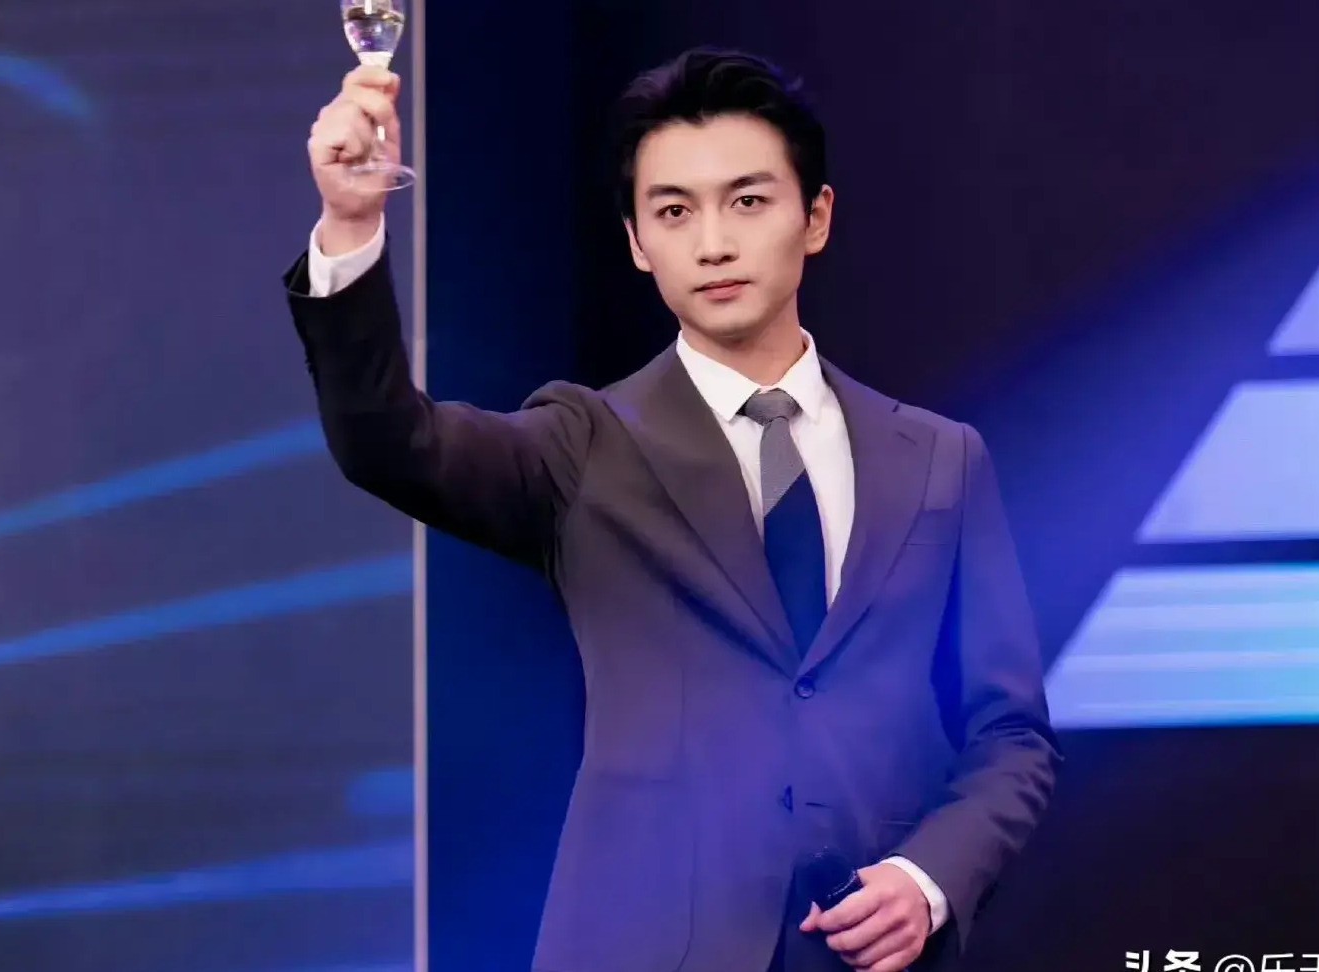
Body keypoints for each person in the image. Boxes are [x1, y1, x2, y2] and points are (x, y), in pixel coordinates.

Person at [285, 46, 1061, 972]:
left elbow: (1010, 734)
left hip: (868, 952)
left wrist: (927, 879)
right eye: (674, 211)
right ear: (636, 243)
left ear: (815, 217)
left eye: (748, 201)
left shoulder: (938, 461)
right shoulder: (584, 445)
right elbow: (389, 443)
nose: (713, 243)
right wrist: (351, 221)